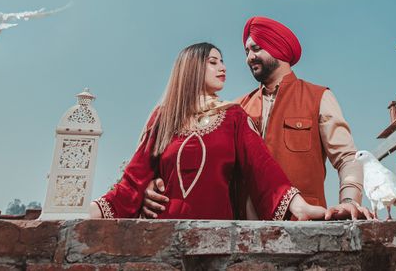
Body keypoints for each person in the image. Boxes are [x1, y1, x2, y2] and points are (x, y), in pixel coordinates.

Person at [142, 17, 374, 220]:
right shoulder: (234, 108)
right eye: (246, 52)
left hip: (302, 225)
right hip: (243, 232)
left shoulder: (318, 97)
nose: (249, 57)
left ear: (278, 49)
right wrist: (153, 185)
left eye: (256, 49)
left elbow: (346, 158)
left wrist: (350, 201)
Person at [89, 42, 328, 221]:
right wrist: (92, 210)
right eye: (213, 62)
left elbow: (262, 167)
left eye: (222, 61)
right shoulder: (164, 117)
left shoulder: (233, 116)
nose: (223, 67)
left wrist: (298, 205)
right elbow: (134, 179)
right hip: (162, 235)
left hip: (218, 235)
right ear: (191, 68)